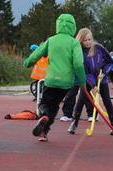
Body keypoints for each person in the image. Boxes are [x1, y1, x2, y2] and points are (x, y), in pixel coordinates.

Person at [24, 13, 86, 142]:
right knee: (55, 106)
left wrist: (27, 62)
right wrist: (82, 81)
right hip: (65, 83)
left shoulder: (51, 40)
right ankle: (44, 131)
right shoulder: (74, 43)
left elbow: (37, 54)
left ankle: (44, 117)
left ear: (58, 26)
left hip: (51, 80)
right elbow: (78, 64)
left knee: (45, 103)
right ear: (73, 27)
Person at [68, 28, 113, 135]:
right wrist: (93, 85)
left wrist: (104, 72)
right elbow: (85, 72)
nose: (87, 42)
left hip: (102, 79)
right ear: (80, 41)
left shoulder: (99, 48)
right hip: (87, 80)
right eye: (85, 40)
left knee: (107, 101)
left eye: (89, 39)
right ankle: (74, 122)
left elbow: (109, 62)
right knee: (81, 100)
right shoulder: (79, 52)